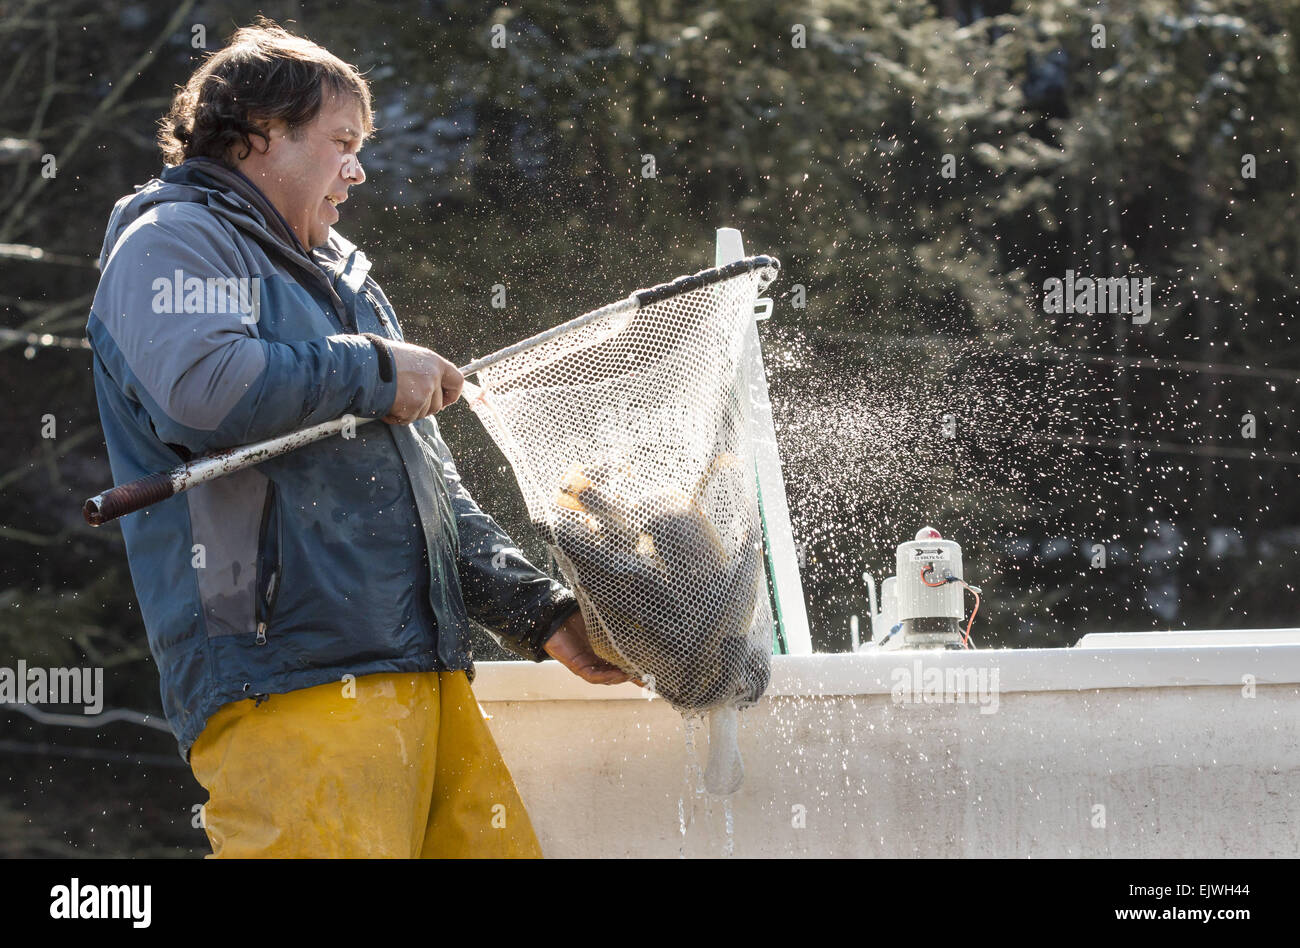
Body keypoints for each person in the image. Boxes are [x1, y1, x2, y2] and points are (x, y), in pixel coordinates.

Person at [86, 18, 629, 858]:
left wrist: (539, 612)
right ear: (259, 135)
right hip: (287, 678)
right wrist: (375, 368)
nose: (358, 168)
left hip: (427, 674)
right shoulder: (170, 239)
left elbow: (433, 489)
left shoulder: (344, 278)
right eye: (341, 141)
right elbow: (202, 393)